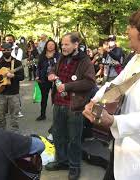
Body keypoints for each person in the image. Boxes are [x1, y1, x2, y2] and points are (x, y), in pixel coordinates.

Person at [83, 8, 140, 180]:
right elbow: (116, 84)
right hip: (120, 149)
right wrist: (94, 100)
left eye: (131, 26)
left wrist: (114, 121)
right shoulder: (136, 57)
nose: (126, 30)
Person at [45, 32, 95, 180]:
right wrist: (51, 74)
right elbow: (54, 69)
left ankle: (74, 166)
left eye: (66, 44)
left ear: (75, 45)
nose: (63, 47)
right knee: (58, 135)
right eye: (62, 44)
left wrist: (67, 86)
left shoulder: (85, 60)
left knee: (74, 138)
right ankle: (61, 161)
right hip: (58, 103)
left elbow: (90, 82)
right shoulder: (61, 57)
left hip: (75, 106)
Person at [0, 43, 25, 133]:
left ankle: (14, 134)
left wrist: (13, 75)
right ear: (1, 51)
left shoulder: (17, 63)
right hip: (0, 93)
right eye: (4, 50)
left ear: (11, 50)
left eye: (8, 50)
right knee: (1, 115)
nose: (6, 52)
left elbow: (22, 77)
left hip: (14, 93)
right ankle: (1, 133)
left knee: (14, 115)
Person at [35, 39, 60, 121]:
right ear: (46, 45)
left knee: (56, 98)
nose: (50, 46)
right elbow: (38, 67)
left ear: (55, 46)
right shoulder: (42, 55)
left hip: (55, 79)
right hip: (43, 79)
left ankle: (57, 116)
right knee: (44, 98)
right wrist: (37, 76)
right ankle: (42, 115)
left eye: (52, 44)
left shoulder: (59, 55)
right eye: (49, 44)